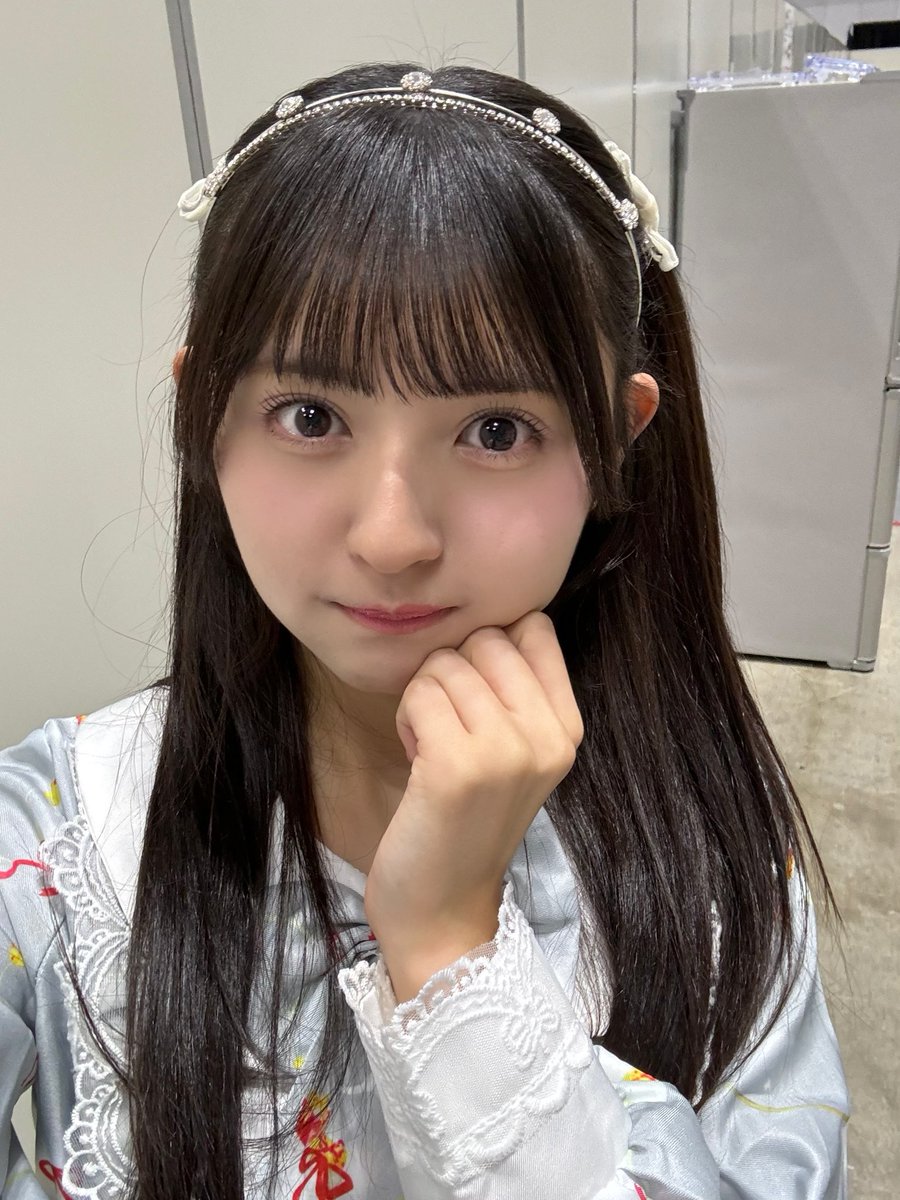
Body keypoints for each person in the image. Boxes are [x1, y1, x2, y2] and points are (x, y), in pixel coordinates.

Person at [0, 59, 850, 1200]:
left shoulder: (714, 854)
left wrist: (449, 945)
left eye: (496, 430)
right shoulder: (61, 839)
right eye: (312, 417)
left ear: (615, 436)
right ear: (204, 416)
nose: (393, 536)